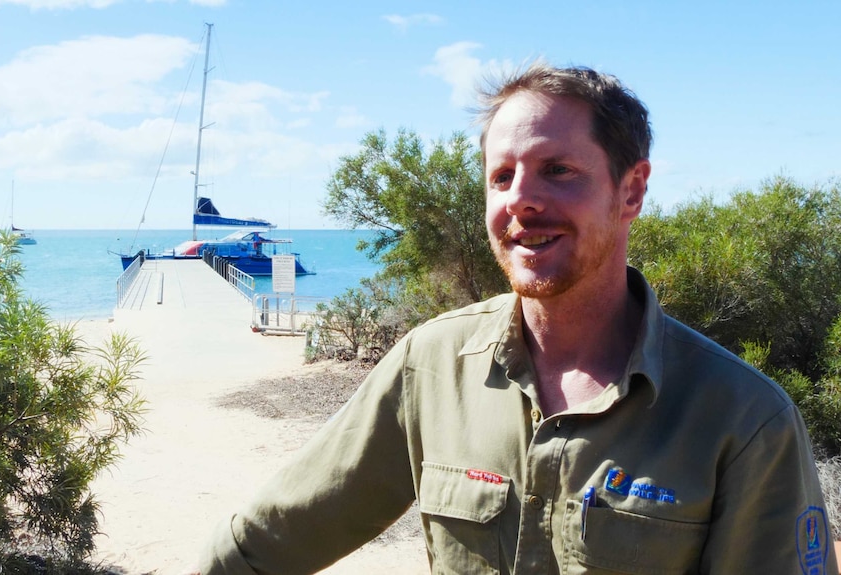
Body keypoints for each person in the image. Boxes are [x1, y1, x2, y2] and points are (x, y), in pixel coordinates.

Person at [193, 63, 838, 574]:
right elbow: (275, 536)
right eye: (502, 176)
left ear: (631, 191)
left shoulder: (744, 419)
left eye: (558, 171)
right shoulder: (433, 367)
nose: (522, 200)